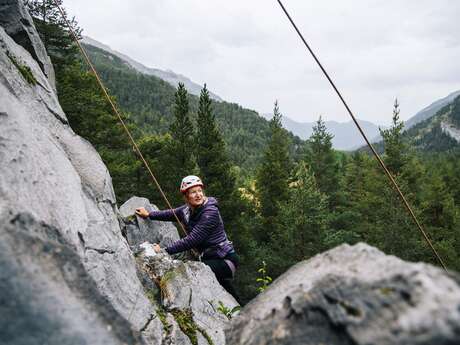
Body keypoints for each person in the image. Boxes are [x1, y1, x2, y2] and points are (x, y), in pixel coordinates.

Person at [135, 175, 239, 301]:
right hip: (211, 259)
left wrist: (163, 250)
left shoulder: (210, 212)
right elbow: (171, 214)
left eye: (200, 191)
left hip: (224, 261)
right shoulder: (188, 210)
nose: (198, 195)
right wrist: (149, 214)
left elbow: (192, 240)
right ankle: (240, 310)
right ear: (186, 196)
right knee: (227, 294)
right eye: (193, 192)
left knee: (190, 272)